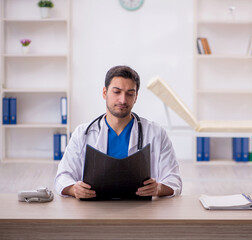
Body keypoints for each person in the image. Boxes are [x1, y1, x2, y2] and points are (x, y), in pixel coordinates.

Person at [54, 65, 182, 199]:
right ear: (105, 93)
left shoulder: (156, 133)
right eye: (117, 92)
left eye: (130, 93)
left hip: (142, 212)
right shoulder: (82, 133)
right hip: (93, 211)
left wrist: (159, 188)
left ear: (136, 97)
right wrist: (74, 189)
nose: (123, 100)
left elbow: (174, 179)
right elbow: (62, 177)